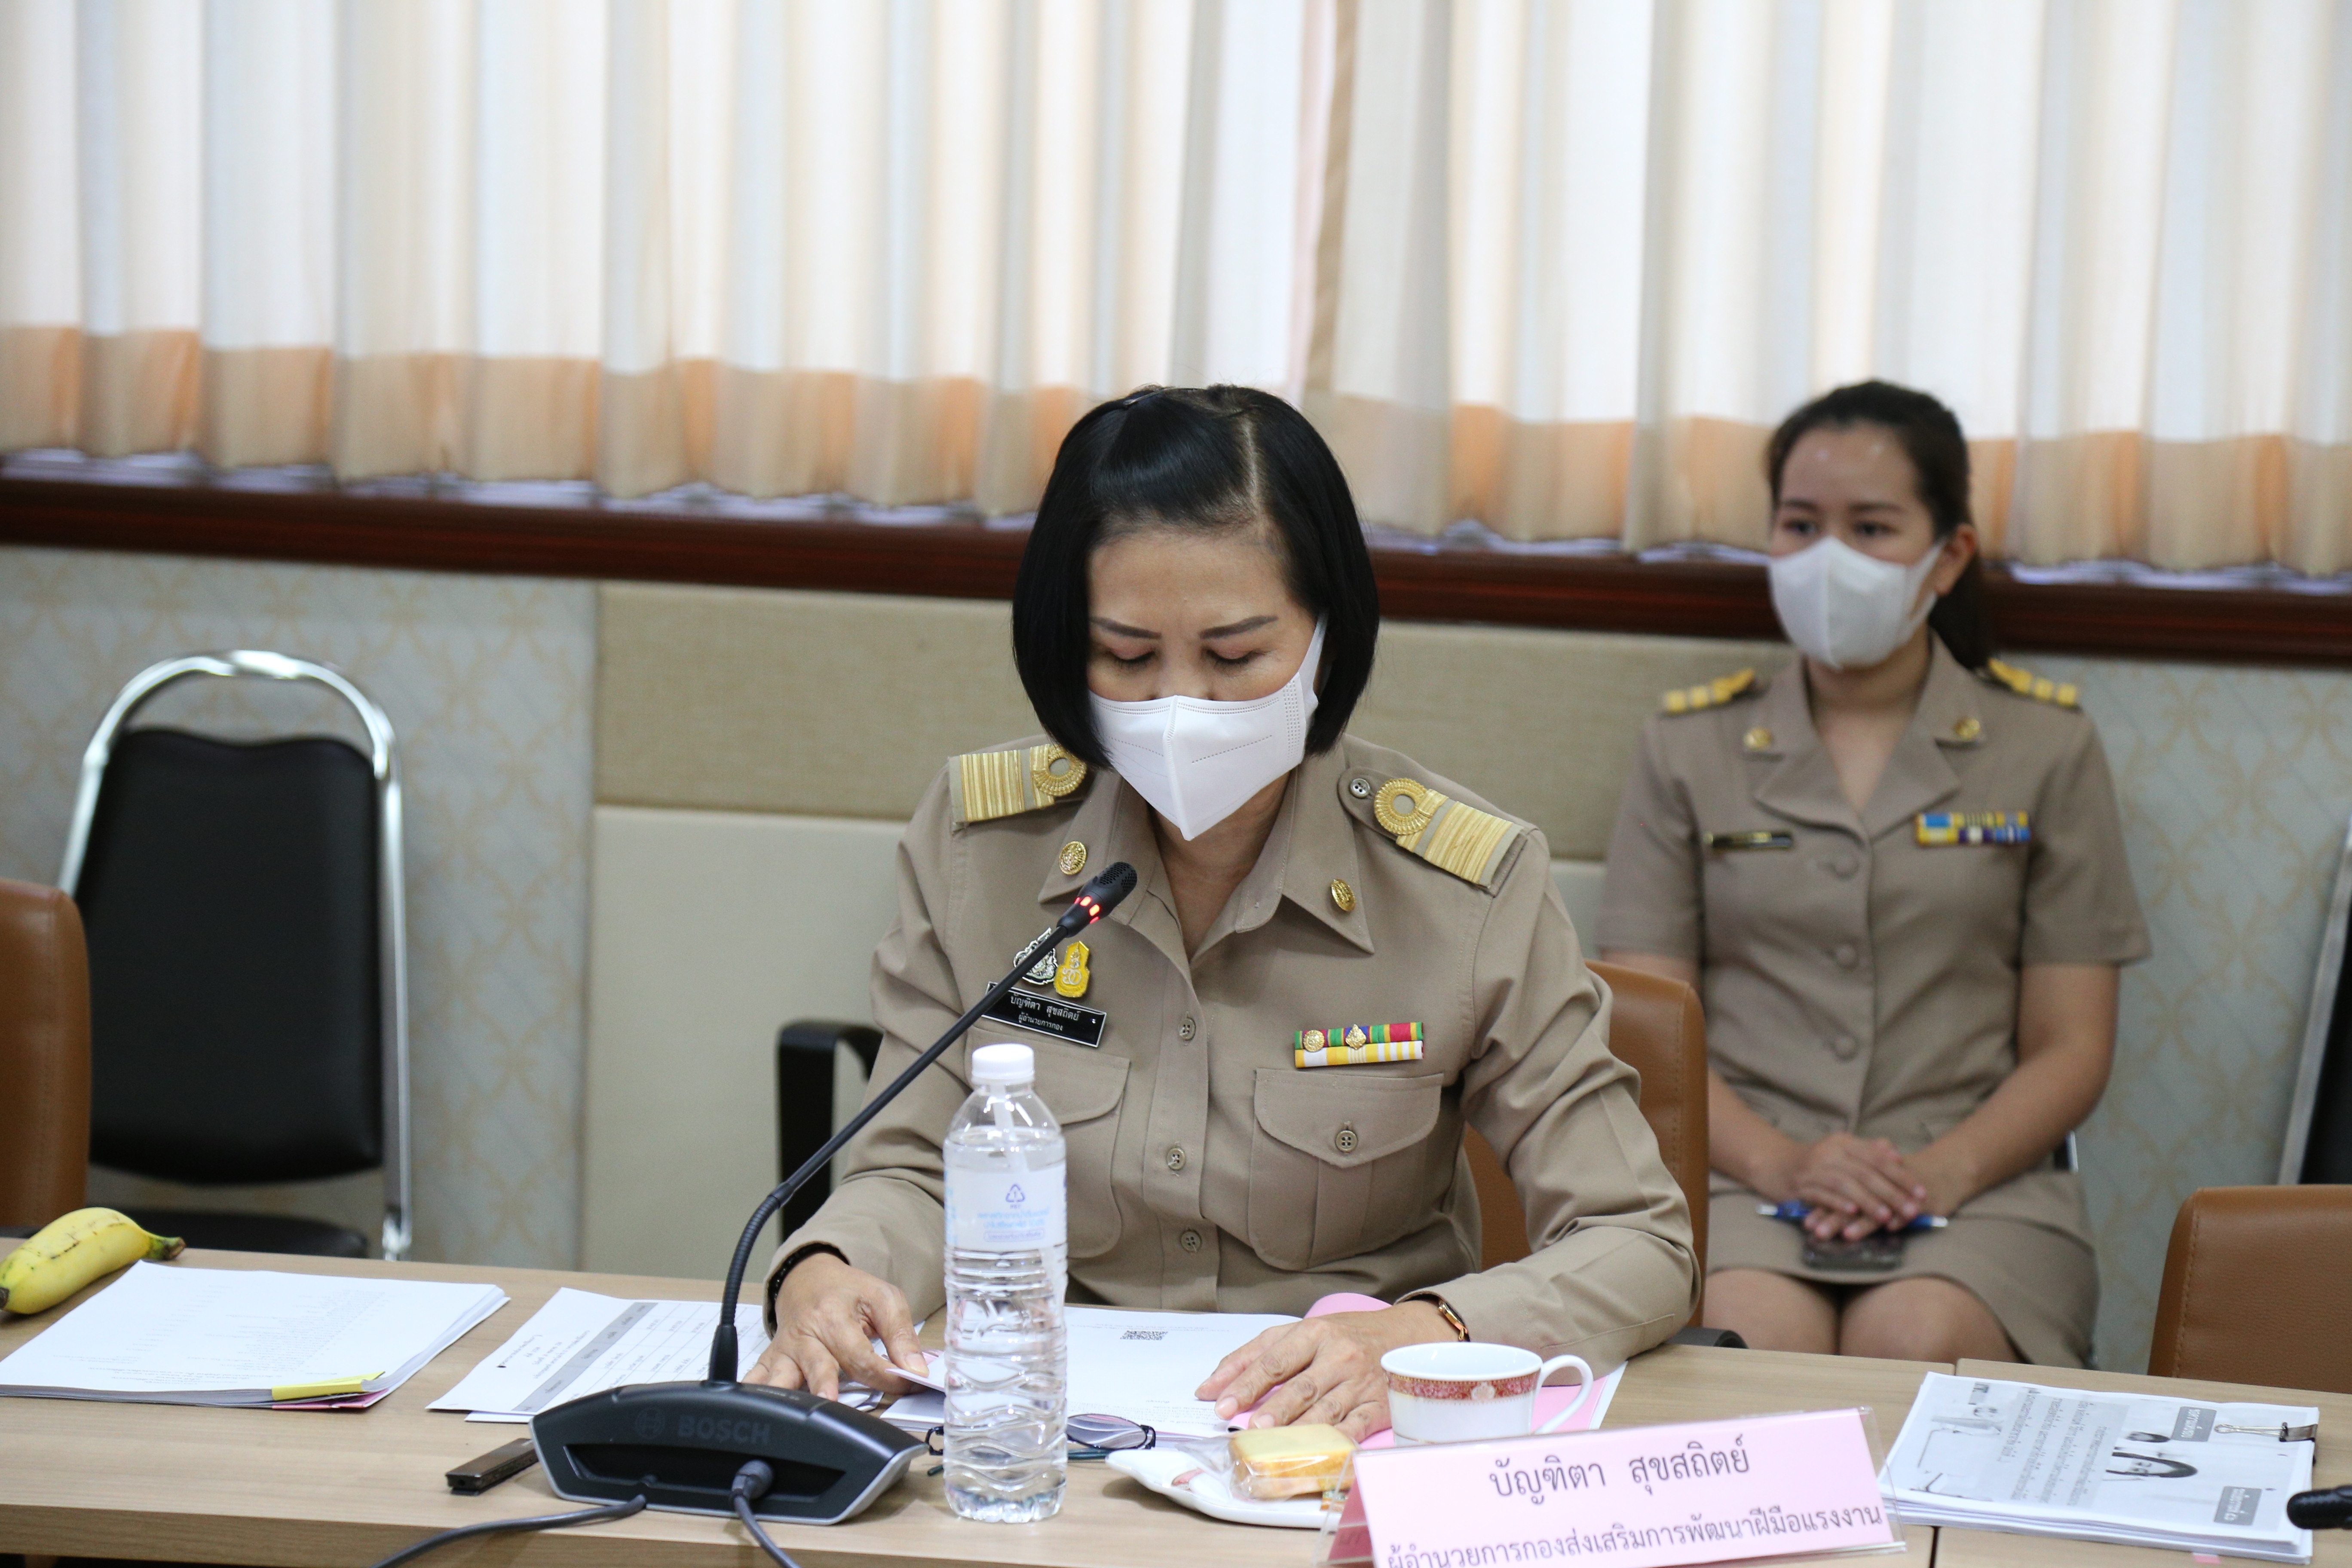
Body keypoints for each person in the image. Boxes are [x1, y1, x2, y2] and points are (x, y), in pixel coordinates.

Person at [748, 385, 1698, 1436]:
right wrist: (828, 1267)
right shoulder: (984, 847)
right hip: (1048, 1428)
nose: (1180, 706)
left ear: (1328, 636)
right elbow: (916, 1170)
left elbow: (1640, 1244)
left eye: (1237, 656)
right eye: (1127, 656)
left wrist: (1424, 1334)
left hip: (1336, 1439)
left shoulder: (1464, 887)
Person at [1598, 380, 2147, 1367]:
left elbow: (2072, 1046)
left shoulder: (2047, 747)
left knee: (1914, 1336)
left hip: (1980, 1184)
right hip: (1737, 1172)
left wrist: (1938, 1174)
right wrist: (1785, 1163)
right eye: (1801, 525)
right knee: (1758, 1345)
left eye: (1872, 528)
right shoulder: (1687, 748)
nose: (1829, 558)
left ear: (1951, 555)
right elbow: (1651, 1031)